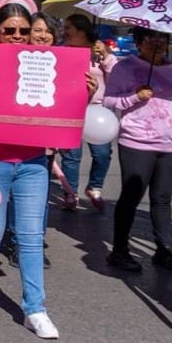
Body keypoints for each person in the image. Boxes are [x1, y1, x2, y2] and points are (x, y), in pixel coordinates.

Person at [0, 4, 60, 340]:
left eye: (24, 31)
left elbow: (64, 108)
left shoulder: (47, 64)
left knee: (31, 238)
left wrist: (83, 90)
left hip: (33, 162)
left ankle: (35, 308)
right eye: (10, 31)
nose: (18, 37)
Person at [103, 27, 172, 273]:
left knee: (162, 200)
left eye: (163, 38)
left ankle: (164, 251)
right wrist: (134, 97)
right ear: (139, 42)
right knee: (131, 198)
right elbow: (109, 100)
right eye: (151, 38)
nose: (158, 42)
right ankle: (119, 250)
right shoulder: (124, 68)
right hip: (137, 142)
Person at [58, 14, 117, 210]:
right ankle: (70, 192)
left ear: (82, 32)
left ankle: (95, 188)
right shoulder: (63, 51)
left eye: (68, 28)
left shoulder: (101, 52)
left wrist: (106, 56)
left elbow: (117, 77)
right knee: (71, 156)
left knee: (102, 154)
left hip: (98, 111)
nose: (64, 32)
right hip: (71, 108)